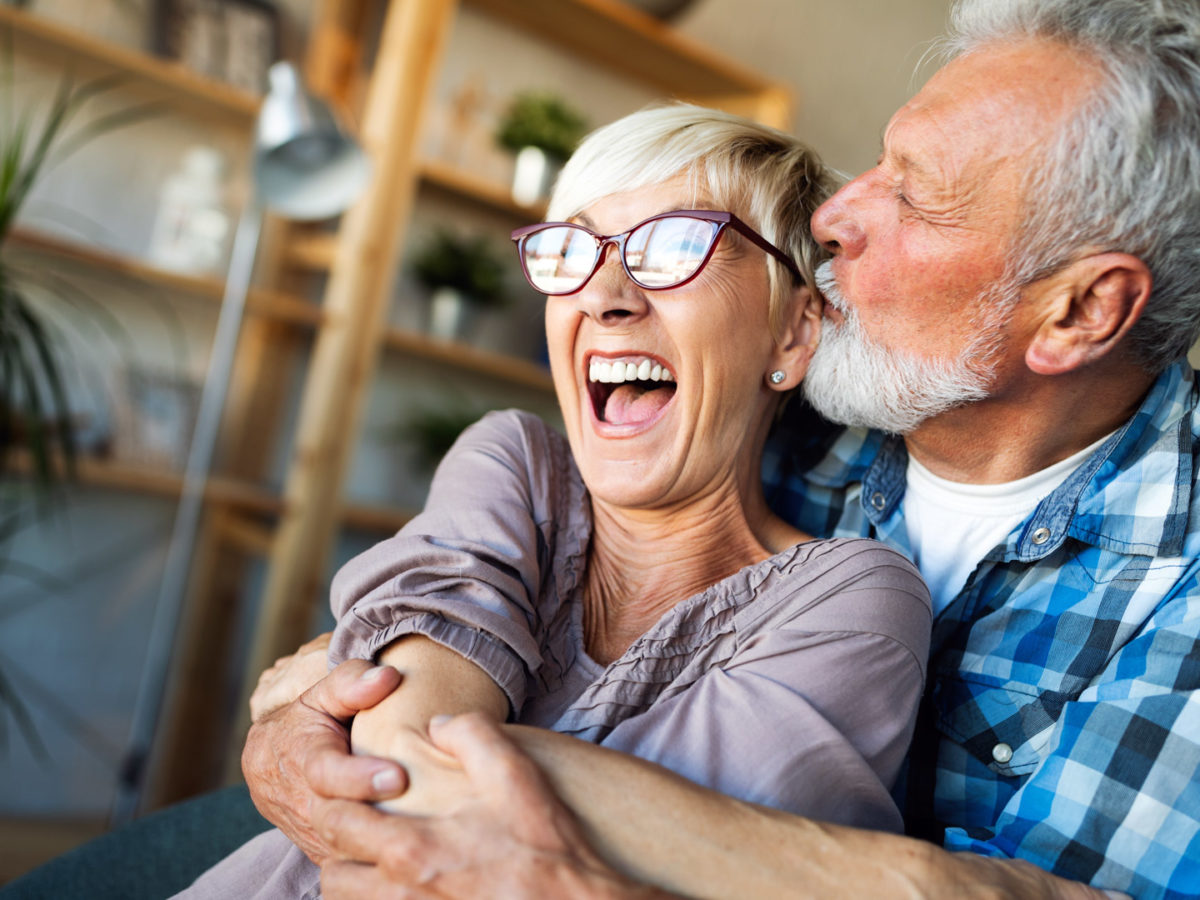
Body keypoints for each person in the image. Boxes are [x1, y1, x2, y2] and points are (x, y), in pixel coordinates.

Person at [239, 0, 1200, 898]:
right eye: (877, 163)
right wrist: (314, 708)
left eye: (915, 197)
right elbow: (459, 589)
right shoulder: (797, 422)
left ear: (1079, 311)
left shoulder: (1172, 596)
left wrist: (383, 723)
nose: (836, 217)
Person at [173, 104, 931, 898]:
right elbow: (417, 771)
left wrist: (334, 694)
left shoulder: (855, 601)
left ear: (794, 332)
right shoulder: (515, 464)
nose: (605, 295)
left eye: (675, 245)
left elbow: (687, 857)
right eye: (573, 249)